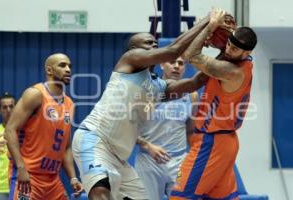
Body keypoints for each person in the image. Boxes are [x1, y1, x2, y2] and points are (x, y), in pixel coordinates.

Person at [72, 15, 211, 200]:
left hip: (120, 158)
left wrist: (229, 53)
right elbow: (172, 50)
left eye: (155, 43)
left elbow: (196, 82)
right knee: (100, 192)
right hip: (95, 140)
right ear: (134, 50)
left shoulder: (158, 88)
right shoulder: (129, 60)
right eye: (148, 43)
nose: (153, 46)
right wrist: (208, 22)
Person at [170, 9, 257, 200]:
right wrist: (216, 35)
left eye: (234, 49)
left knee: (178, 195)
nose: (228, 49)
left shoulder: (231, 71)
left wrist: (209, 25)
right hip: (224, 141)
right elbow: (213, 62)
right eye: (227, 44)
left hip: (212, 143)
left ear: (247, 52)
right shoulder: (231, 60)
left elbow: (191, 56)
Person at [4, 53, 83, 200]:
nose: (68, 69)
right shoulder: (35, 94)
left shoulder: (69, 104)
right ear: (49, 70)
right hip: (28, 175)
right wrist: (21, 168)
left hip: (52, 179)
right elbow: (10, 130)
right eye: (62, 65)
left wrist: (73, 178)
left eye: (69, 66)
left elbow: (66, 147)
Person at [135, 57, 199, 200]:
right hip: (149, 160)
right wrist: (147, 146)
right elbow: (127, 130)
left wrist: (194, 158)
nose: (176, 66)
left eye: (181, 63)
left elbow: (190, 131)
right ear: (162, 64)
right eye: (172, 62)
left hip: (179, 161)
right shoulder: (146, 92)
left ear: (185, 68)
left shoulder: (192, 95)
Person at [0, 92, 15, 200]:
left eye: (11, 106)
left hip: (20, 187)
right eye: (4, 107)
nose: (8, 110)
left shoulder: (23, 131)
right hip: (2, 189)